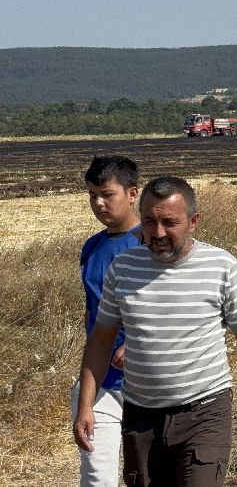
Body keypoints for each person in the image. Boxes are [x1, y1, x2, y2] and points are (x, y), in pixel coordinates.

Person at [73, 176, 237, 487]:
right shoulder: (123, 268)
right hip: (141, 416)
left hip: (204, 412)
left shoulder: (222, 267)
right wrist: (86, 404)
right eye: (149, 222)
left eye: (169, 223)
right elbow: (100, 342)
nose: (158, 233)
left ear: (193, 222)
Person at [72, 156, 141, 486]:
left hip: (150, 385)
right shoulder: (92, 247)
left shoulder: (151, 244)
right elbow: (92, 312)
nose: (98, 203)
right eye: (91, 195)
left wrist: (133, 343)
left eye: (107, 194)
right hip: (100, 383)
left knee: (143, 474)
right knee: (97, 476)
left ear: (132, 193)